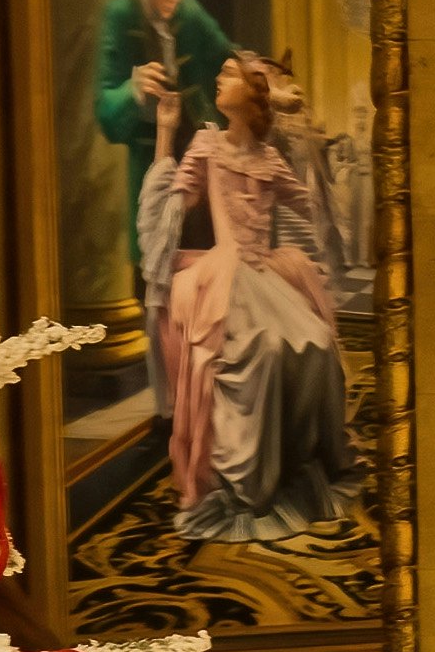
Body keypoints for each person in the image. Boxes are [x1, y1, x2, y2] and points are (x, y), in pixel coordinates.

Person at [153, 50, 357, 560]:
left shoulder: (268, 158)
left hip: (265, 272)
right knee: (262, 350)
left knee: (312, 343)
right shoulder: (205, 143)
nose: (218, 80)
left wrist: (329, 240)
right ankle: (248, 481)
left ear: (251, 93)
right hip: (222, 277)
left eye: (229, 74)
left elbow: (310, 206)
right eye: (220, 71)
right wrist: (164, 132)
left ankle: (295, 458)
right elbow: (177, 200)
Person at [84, 0, 227, 331]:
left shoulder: (189, 13)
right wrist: (133, 88)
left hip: (193, 146)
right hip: (150, 156)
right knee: (156, 261)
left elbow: (225, 54)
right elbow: (106, 109)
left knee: (202, 255)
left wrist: (262, 78)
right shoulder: (120, 13)